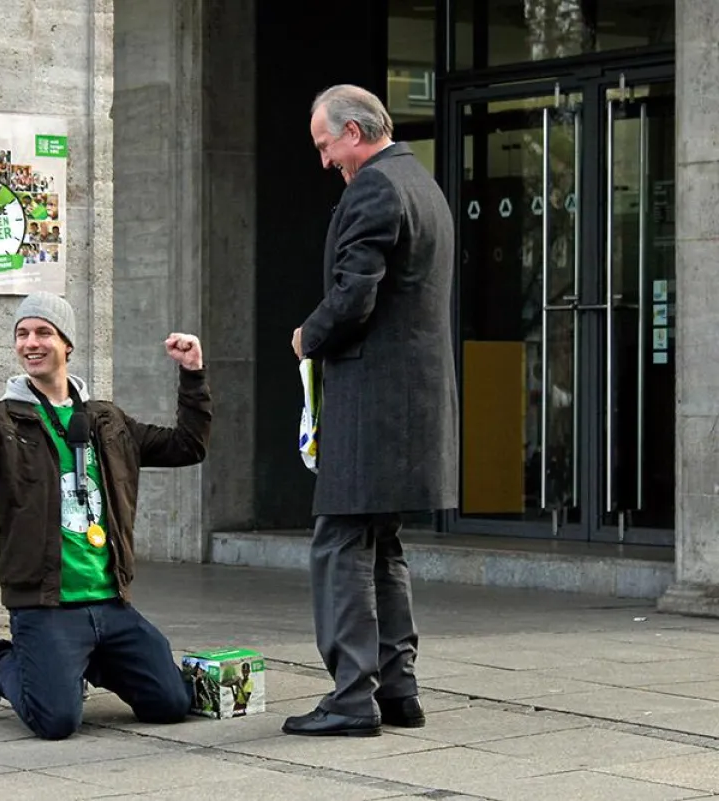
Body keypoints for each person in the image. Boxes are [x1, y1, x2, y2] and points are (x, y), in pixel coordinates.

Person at [0, 291, 212, 741]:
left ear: (67, 344)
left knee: (171, 703)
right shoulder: (2, 420)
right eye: (22, 334)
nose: (31, 343)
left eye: (43, 332)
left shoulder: (107, 421)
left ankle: (82, 658)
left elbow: (187, 446)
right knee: (56, 722)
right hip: (46, 604)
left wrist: (192, 375)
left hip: (110, 603)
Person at [284, 85, 458, 738]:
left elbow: (355, 295)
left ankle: (352, 696)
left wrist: (308, 335)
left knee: (339, 542)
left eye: (326, 146)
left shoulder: (376, 189)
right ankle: (398, 688)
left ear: (353, 132)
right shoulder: (423, 184)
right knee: (383, 546)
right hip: (408, 406)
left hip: (371, 403)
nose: (326, 161)